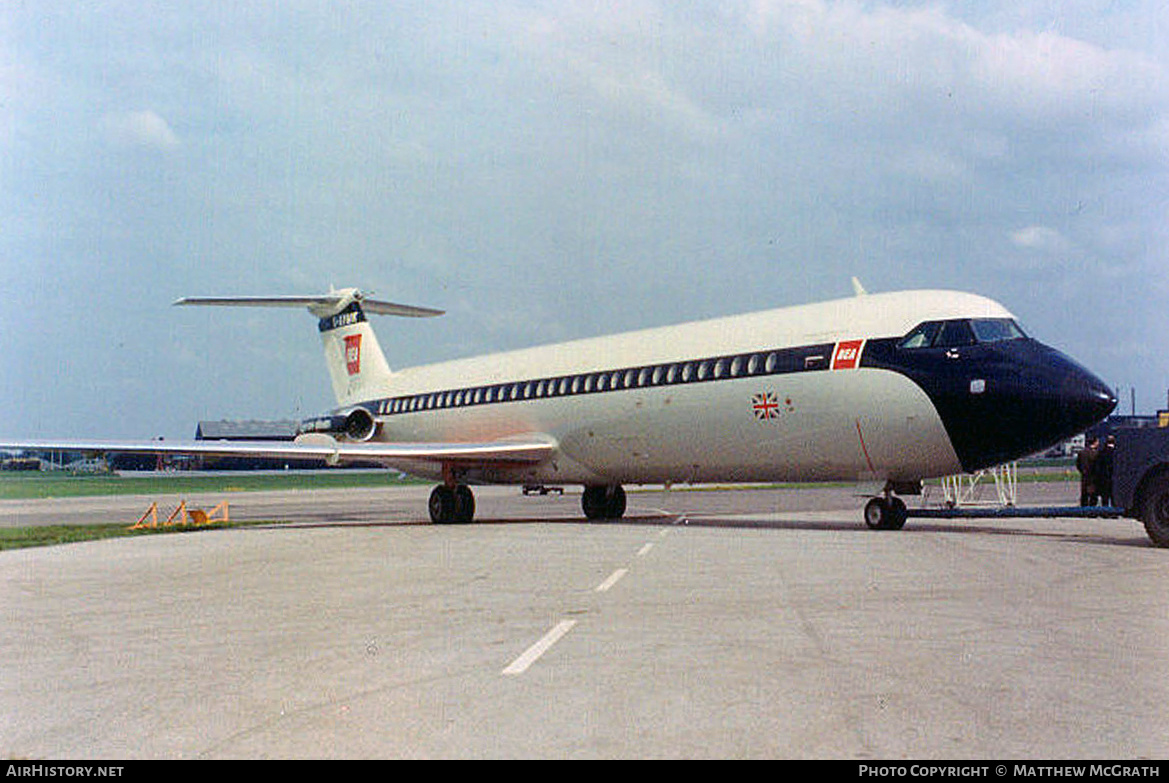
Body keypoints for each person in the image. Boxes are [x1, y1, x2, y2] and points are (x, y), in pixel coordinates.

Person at [1077, 437, 1100, 507]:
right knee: (1093, 494)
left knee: (1084, 494)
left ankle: (1083, 508)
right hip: (1093, 476)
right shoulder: (1096, 453)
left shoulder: (1082, 452)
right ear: (1095, 442)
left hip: (1084, 475)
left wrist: (1082, 471)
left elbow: (1078, 464)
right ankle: (1092, 510)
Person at [1097, 435, 1116, 507]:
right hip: (1114, 477)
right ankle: (1114, 512)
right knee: (1113, 496)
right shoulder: (1116, 453)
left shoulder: (1102, 452)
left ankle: (1105, 511)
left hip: (1103, 478)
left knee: (1105, 496)